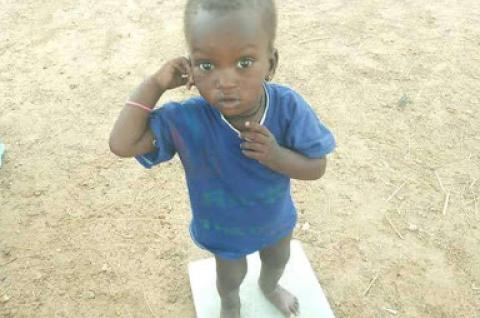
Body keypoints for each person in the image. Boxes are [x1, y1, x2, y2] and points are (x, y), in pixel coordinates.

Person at [109, 0, 336, 317]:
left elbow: (317, 167)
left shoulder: (288, 107)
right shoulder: (185, 120)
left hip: (275, 219)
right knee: (229, 279)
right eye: (206, 65)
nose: (225, 80)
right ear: (189, 68)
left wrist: (276, 156)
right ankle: (230, 304)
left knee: (277, 261)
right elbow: (122, 144)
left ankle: (269, 287)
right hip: (223, 229)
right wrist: (155, 84)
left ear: (270, 63)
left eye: (244, 62)